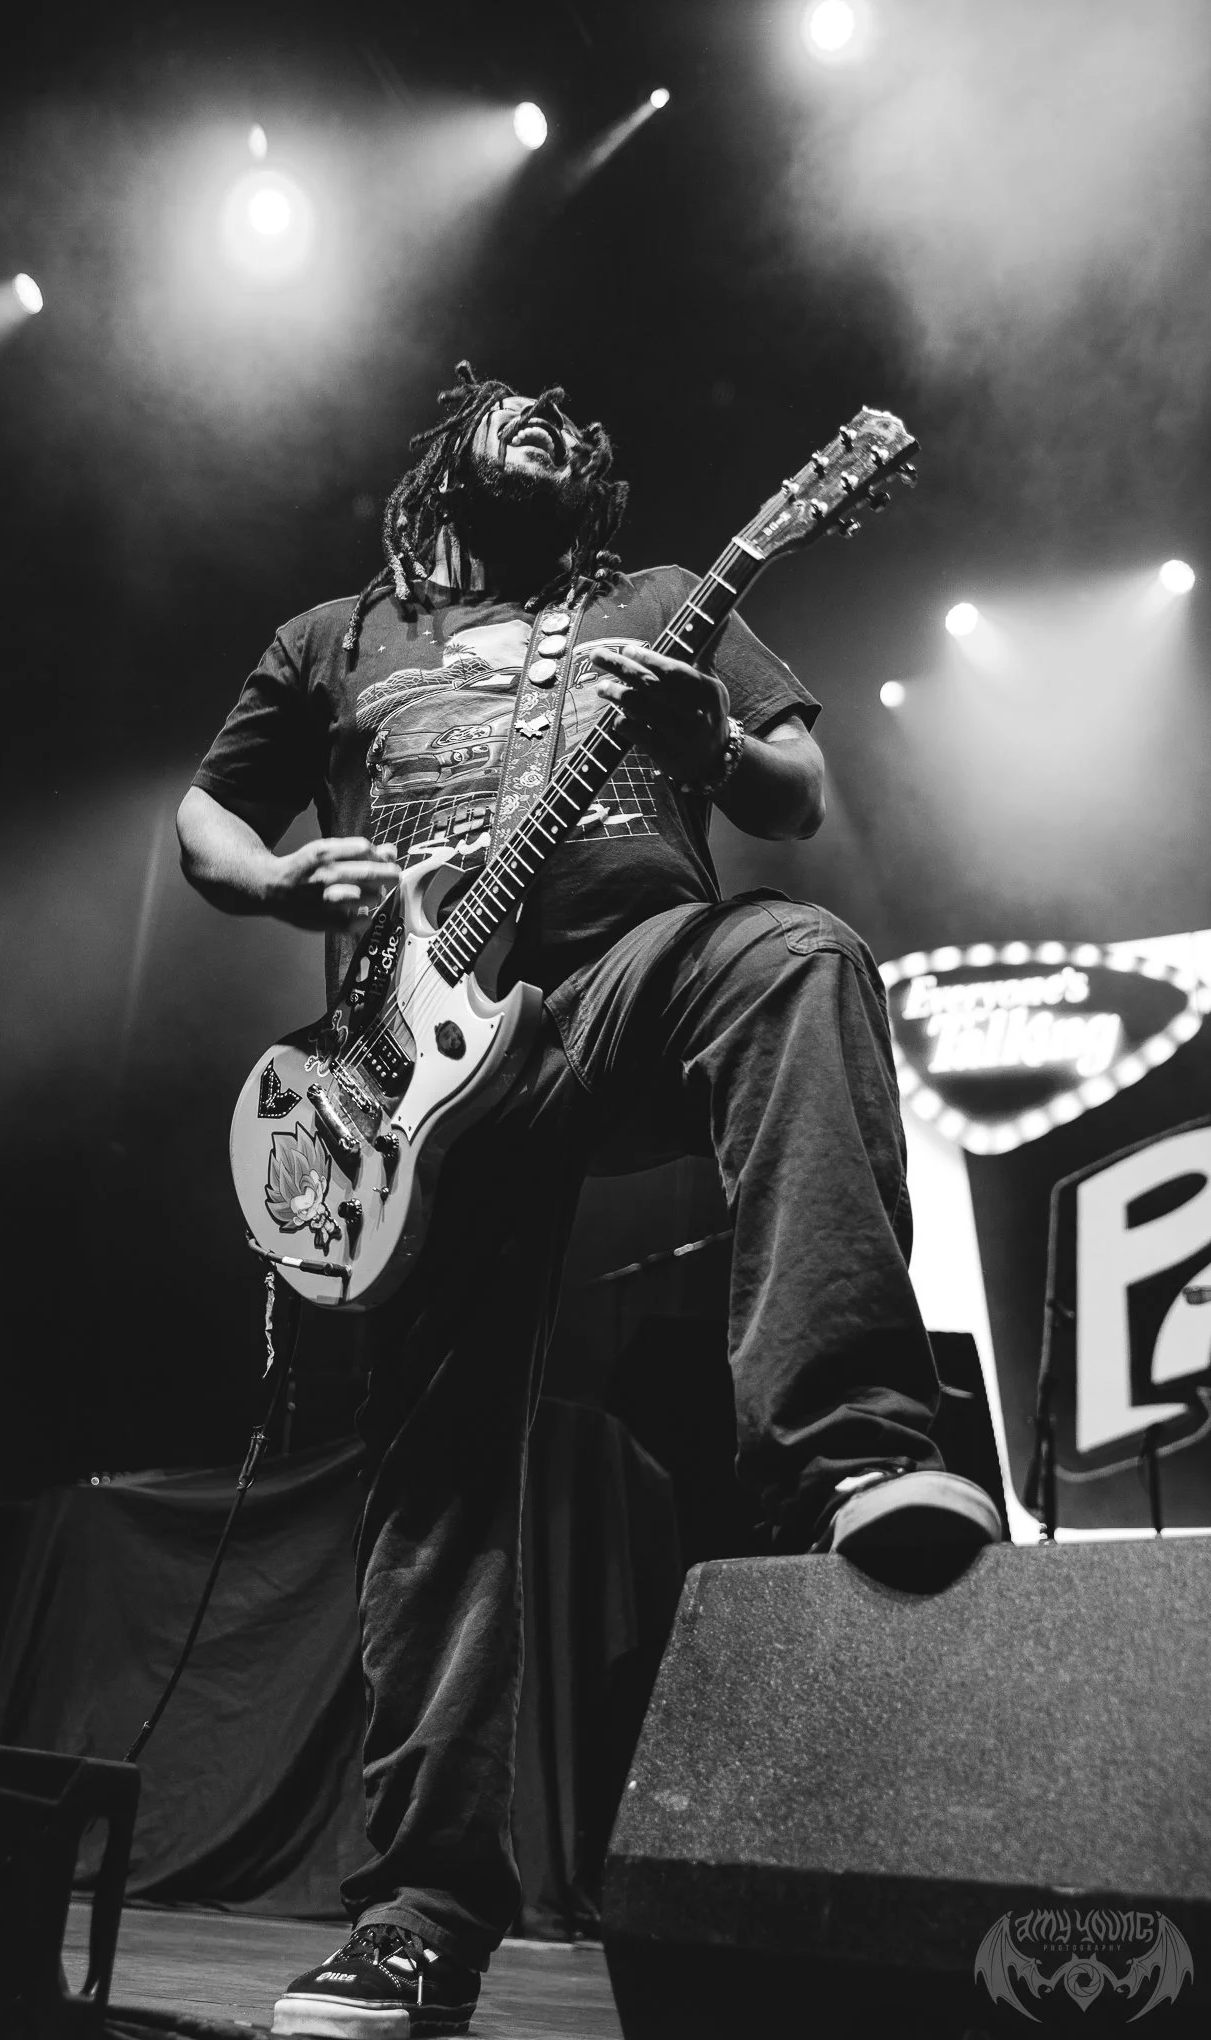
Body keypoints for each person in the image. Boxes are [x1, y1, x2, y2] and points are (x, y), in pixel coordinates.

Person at [177, 363, 1001, 2040]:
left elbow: (792, 795)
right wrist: (274, 880)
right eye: (508, 403)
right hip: (412, 1084)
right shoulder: (338, 636)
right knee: (441, 1481)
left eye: (570, 411)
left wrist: (709, 736)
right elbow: (208, 816)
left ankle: (850, 1457)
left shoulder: (661, 598)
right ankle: (418, 1922)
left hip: (626, 986)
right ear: (440, 465)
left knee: (797, 952)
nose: (547, 406)